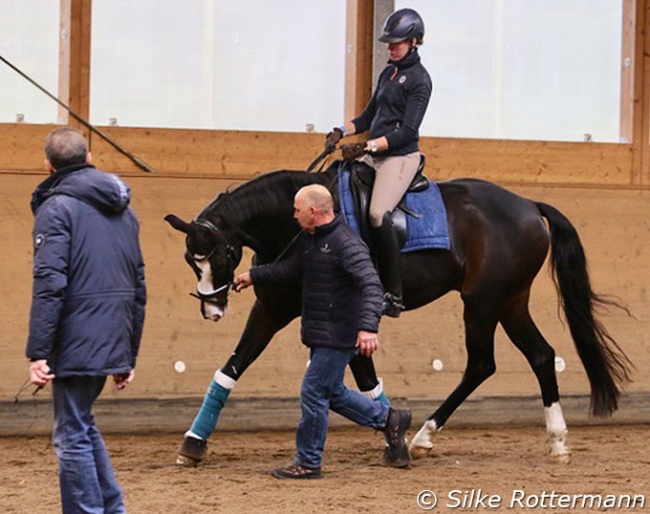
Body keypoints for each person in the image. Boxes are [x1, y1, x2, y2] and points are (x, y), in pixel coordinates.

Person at [234, 184, 412, 479]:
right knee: (333, 392)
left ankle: (309, 461)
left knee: (313, 391)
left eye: (297, 209)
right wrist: (254, 275)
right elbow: (292, 269)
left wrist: (368, 327)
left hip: (339, 333)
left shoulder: (346, 244)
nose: (294, 215)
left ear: (314, 211)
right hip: (322, 331)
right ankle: (390, 419)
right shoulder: (311, 240)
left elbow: (372, 285)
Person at [26, 127, 146, 513]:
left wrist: (38, 353)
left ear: (48, 166)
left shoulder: (55, 209)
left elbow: (50, 284)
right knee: (81, 424)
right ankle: (112, 507)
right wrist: (128, 353)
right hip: (111, 334)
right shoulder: (126, 213)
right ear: (89, 158)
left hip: (77, 338)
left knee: (70, 434)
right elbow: (138, 285)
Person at [325, 8, 432, 318]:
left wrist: (367, 146)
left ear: (414, 42)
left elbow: (407, 132)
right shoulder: (389, 73)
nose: (390, 47)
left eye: (396, 42)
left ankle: (394, 293)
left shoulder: (420, 81)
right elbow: (368, 116)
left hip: (399, 158)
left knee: (375, 213)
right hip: (374, 155)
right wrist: (341, 131)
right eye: (389, 42)